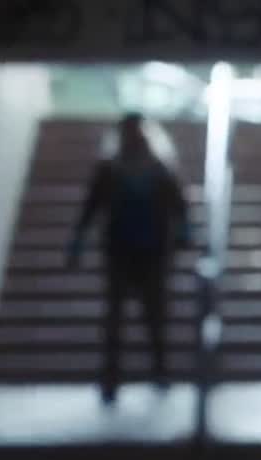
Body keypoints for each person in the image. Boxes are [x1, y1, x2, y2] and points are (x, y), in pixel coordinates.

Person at [68, 112, 191, 404]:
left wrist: (184, 234)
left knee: (148, 316)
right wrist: (77, 242)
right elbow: (92, 206)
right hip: (124, 252)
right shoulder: (115, 169)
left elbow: (179, 207)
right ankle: (120, 378)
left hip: (148, 252)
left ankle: (151, 373)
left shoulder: (155, 170)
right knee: (125, 318)